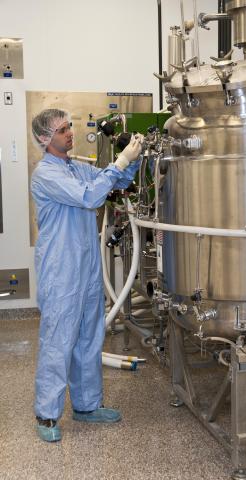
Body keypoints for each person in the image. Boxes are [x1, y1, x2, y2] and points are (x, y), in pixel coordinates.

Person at [31, 108, 143, 442]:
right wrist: (119, 162)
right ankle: (47, 414)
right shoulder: (45, 174)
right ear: (45, 139)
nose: (70, 132)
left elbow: (116, 181)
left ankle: (86, 405)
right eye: (62, 130)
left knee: (89, 337)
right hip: (60, 268)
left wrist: (133, 156)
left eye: (69, 127)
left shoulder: (75, 167)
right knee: (58, 340)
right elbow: (90, 195)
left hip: (87, 266)